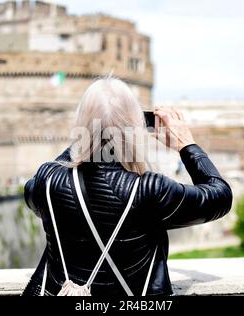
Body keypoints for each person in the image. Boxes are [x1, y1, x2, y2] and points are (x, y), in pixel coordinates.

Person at [24, 77, 233, 296]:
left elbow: (36, 191)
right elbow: (220, 197)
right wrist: (186, 144)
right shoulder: (149, 190)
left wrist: (90, 131)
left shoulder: (47, 182)